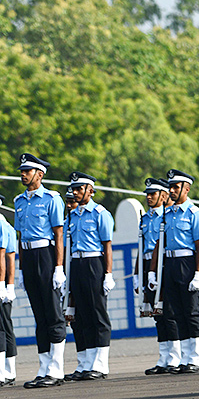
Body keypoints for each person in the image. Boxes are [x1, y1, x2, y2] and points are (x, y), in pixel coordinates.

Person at [13, 153, 67, 388]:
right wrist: (22, 269)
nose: (23, 174)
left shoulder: (52, 199)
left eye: (27, 171)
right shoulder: (19, 201)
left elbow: (58, 235)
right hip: (29, 256)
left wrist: (58, 267)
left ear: (40, 174)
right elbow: (20, 237)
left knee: (53, 314)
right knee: (39, 316)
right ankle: (44, 367)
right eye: (21, 171)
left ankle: (56, 370)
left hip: (46, 255)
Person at [61, 172, 114, 381]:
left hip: (94, 264)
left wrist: (108, 273)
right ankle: (85, 364)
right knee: (80, 317)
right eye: (74, 189)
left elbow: (107, 245)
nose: (75, 193)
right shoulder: (72, 216)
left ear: (90, 191)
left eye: (79, 189)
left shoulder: (100, 213)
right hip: (76, 263)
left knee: (97, 315)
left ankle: (100, 365)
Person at [153, 170, 199, 372]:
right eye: (171, 187)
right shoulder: (168, 214)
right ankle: (186, 358)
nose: (172, 191)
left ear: (187, 188)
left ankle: (197, 359)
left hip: (187, 263)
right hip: (171, 263)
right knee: (176, 312)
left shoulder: (195, 214)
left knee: (192, 311)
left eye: (176, 187)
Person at [139, 178, 180, 375]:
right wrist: (141, 274)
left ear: (163, 196)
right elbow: (141, 247)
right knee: (158, 315)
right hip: (149, 265)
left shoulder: (167, 216)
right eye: (147, 194)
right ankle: (164, 357)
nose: (148, 197)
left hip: (163, 265)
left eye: (152, 194)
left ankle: (174, 357)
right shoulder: (145, 218)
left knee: (169, 312)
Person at [0, 194, 17, 386]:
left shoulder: (2, 225)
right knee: (4, 326)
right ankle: (7, 371)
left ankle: (7, 371)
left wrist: (7, 285)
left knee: (3, 326)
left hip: (2, 283)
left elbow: (8, 259)